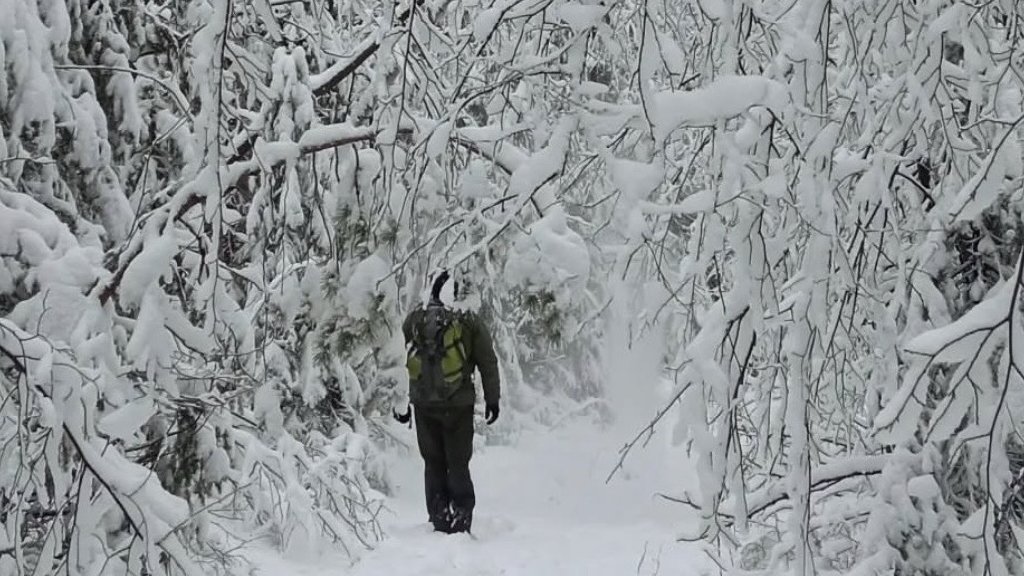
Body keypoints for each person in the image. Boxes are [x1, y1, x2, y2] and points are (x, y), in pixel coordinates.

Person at [393, 271, 500, 534]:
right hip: (458, 404)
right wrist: (492, 399)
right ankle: (461, 518)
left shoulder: (417, 317)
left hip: (423, 404)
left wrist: (401, 403)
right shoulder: (467, 318)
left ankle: (439, 520)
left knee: (433, 462)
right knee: (458, 462)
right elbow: (487, 362)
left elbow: (396, 356)